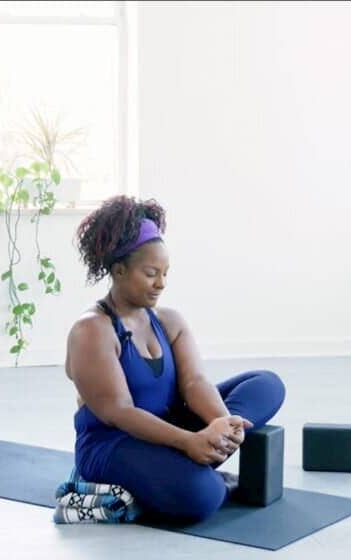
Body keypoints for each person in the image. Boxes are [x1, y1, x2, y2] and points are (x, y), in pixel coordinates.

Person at [66, 194, 286, 524]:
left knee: (266, 384)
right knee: (202, 496)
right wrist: (188, 441)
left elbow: (195, 382)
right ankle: (196, 470)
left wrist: (220, 422)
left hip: (171, 426)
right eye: (151, 273)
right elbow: (120, 413)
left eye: (166, 273)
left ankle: (204, 450)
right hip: (115, 445)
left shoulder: (169, 321)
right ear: (119, 270)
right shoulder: (92, 331)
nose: (162, 284)